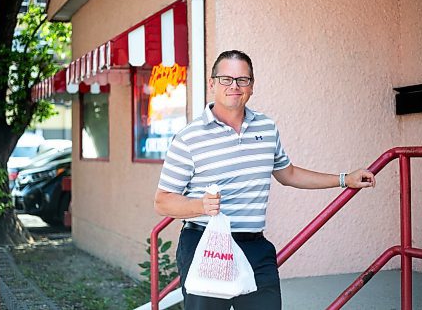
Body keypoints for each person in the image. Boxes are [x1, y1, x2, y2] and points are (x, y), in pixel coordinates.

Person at [154, 50, 376, 310]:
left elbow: (288, 173)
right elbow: (162, 201)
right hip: (205, 246)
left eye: (242, 80)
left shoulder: (266, 128)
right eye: (225, 79)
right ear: (212, 83)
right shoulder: (189, 137)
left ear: (252, 86)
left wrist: (343, 179)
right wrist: (200, 206)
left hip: (254, 247)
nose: (234, 86)